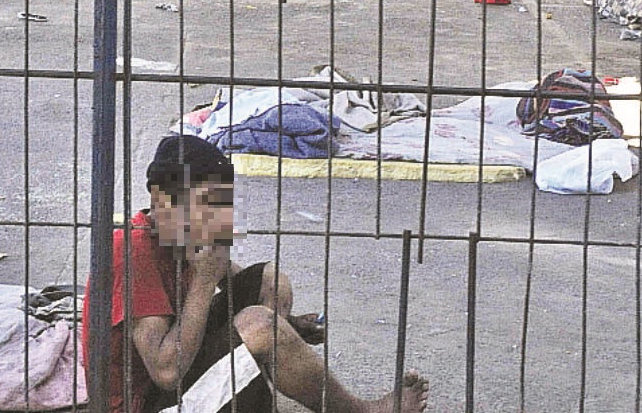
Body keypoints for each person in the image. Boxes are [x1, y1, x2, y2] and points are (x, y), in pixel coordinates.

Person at [83, 134, 428, 413]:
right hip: (146, 403)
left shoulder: (180, 232)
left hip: (179, 361)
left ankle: (248, 389)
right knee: (259, 326)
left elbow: (239, 283)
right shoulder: (132, 252)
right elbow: (165, 372)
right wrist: (204, 283)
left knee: (269, 282)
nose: (215, 217)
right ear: (161, 201)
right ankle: (358, 412)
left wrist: (287, 327)